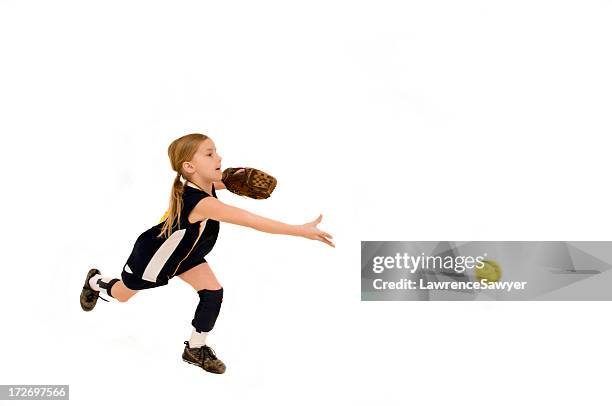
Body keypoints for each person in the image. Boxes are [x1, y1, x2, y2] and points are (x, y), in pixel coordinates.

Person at [79, 133, 334, 374]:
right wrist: (300, 230)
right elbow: (251, 220)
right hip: (155, 258)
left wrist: (235, 180)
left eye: (217, 152)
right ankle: (95, 281)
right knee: (123, 295)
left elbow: (220, 182)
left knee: (212, 291)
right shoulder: (202, 202)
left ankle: (195, 348)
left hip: (185, 254)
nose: (219, 158)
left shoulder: (202, 183)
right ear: (189, 166)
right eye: (209, 154)